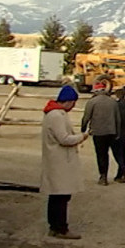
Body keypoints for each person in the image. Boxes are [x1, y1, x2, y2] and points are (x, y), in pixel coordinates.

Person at [41, 85, 89, 239]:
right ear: (69, 102)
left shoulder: (54, 114)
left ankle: (55, 226)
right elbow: (64, 139)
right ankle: (60, 228)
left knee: (57, 195)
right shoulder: (57, 116)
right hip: (60, 161)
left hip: (57, 160)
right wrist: (82, 137)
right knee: (60, 196)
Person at [80, 80, 121, 186]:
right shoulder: (113, 102)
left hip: (98, 132)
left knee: (101, 155)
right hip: (112, 131)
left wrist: (83, 129)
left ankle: (103, 176)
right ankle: (121, 172)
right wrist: (118, 132)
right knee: (113, 153)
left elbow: (86, 117)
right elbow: (118, 119)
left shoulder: (92, 102)